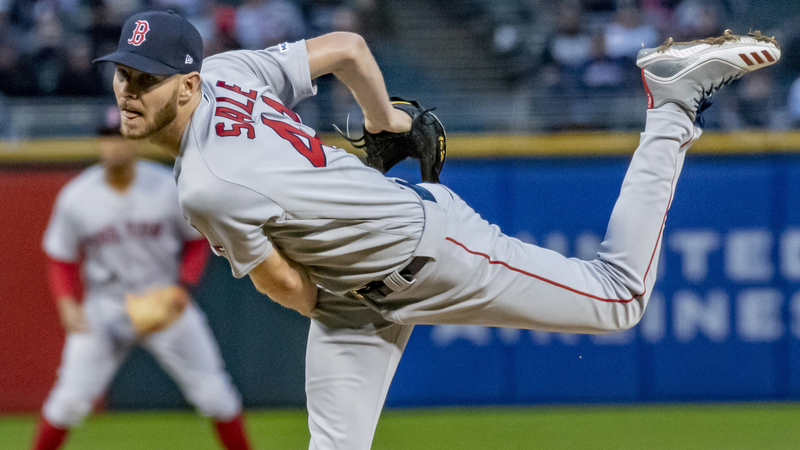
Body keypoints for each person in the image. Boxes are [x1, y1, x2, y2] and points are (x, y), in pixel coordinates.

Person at [93, 11, 780, 449]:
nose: (127, 90)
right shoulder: (228, 70)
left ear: (185, 86)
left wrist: (349, 296)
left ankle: (671, 102)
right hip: (359, 288)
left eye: (145, 79)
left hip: (427, 251)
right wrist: (382, 122)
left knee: (619, 298)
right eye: (123, 73)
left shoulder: (205, 182)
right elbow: (348, 48)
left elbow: (279, 284)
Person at [30, 112, 253, 450]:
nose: (113, 143)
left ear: (135, 140)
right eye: (107, 135)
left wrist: (182, 287)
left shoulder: (166, 186)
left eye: (120, 134)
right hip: (105, 307)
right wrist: (66, 303)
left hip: (163, 301)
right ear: (98, 142)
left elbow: (197, 239)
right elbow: (61, 255)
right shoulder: (76, 196)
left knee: (216, 395)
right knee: (68, 402)